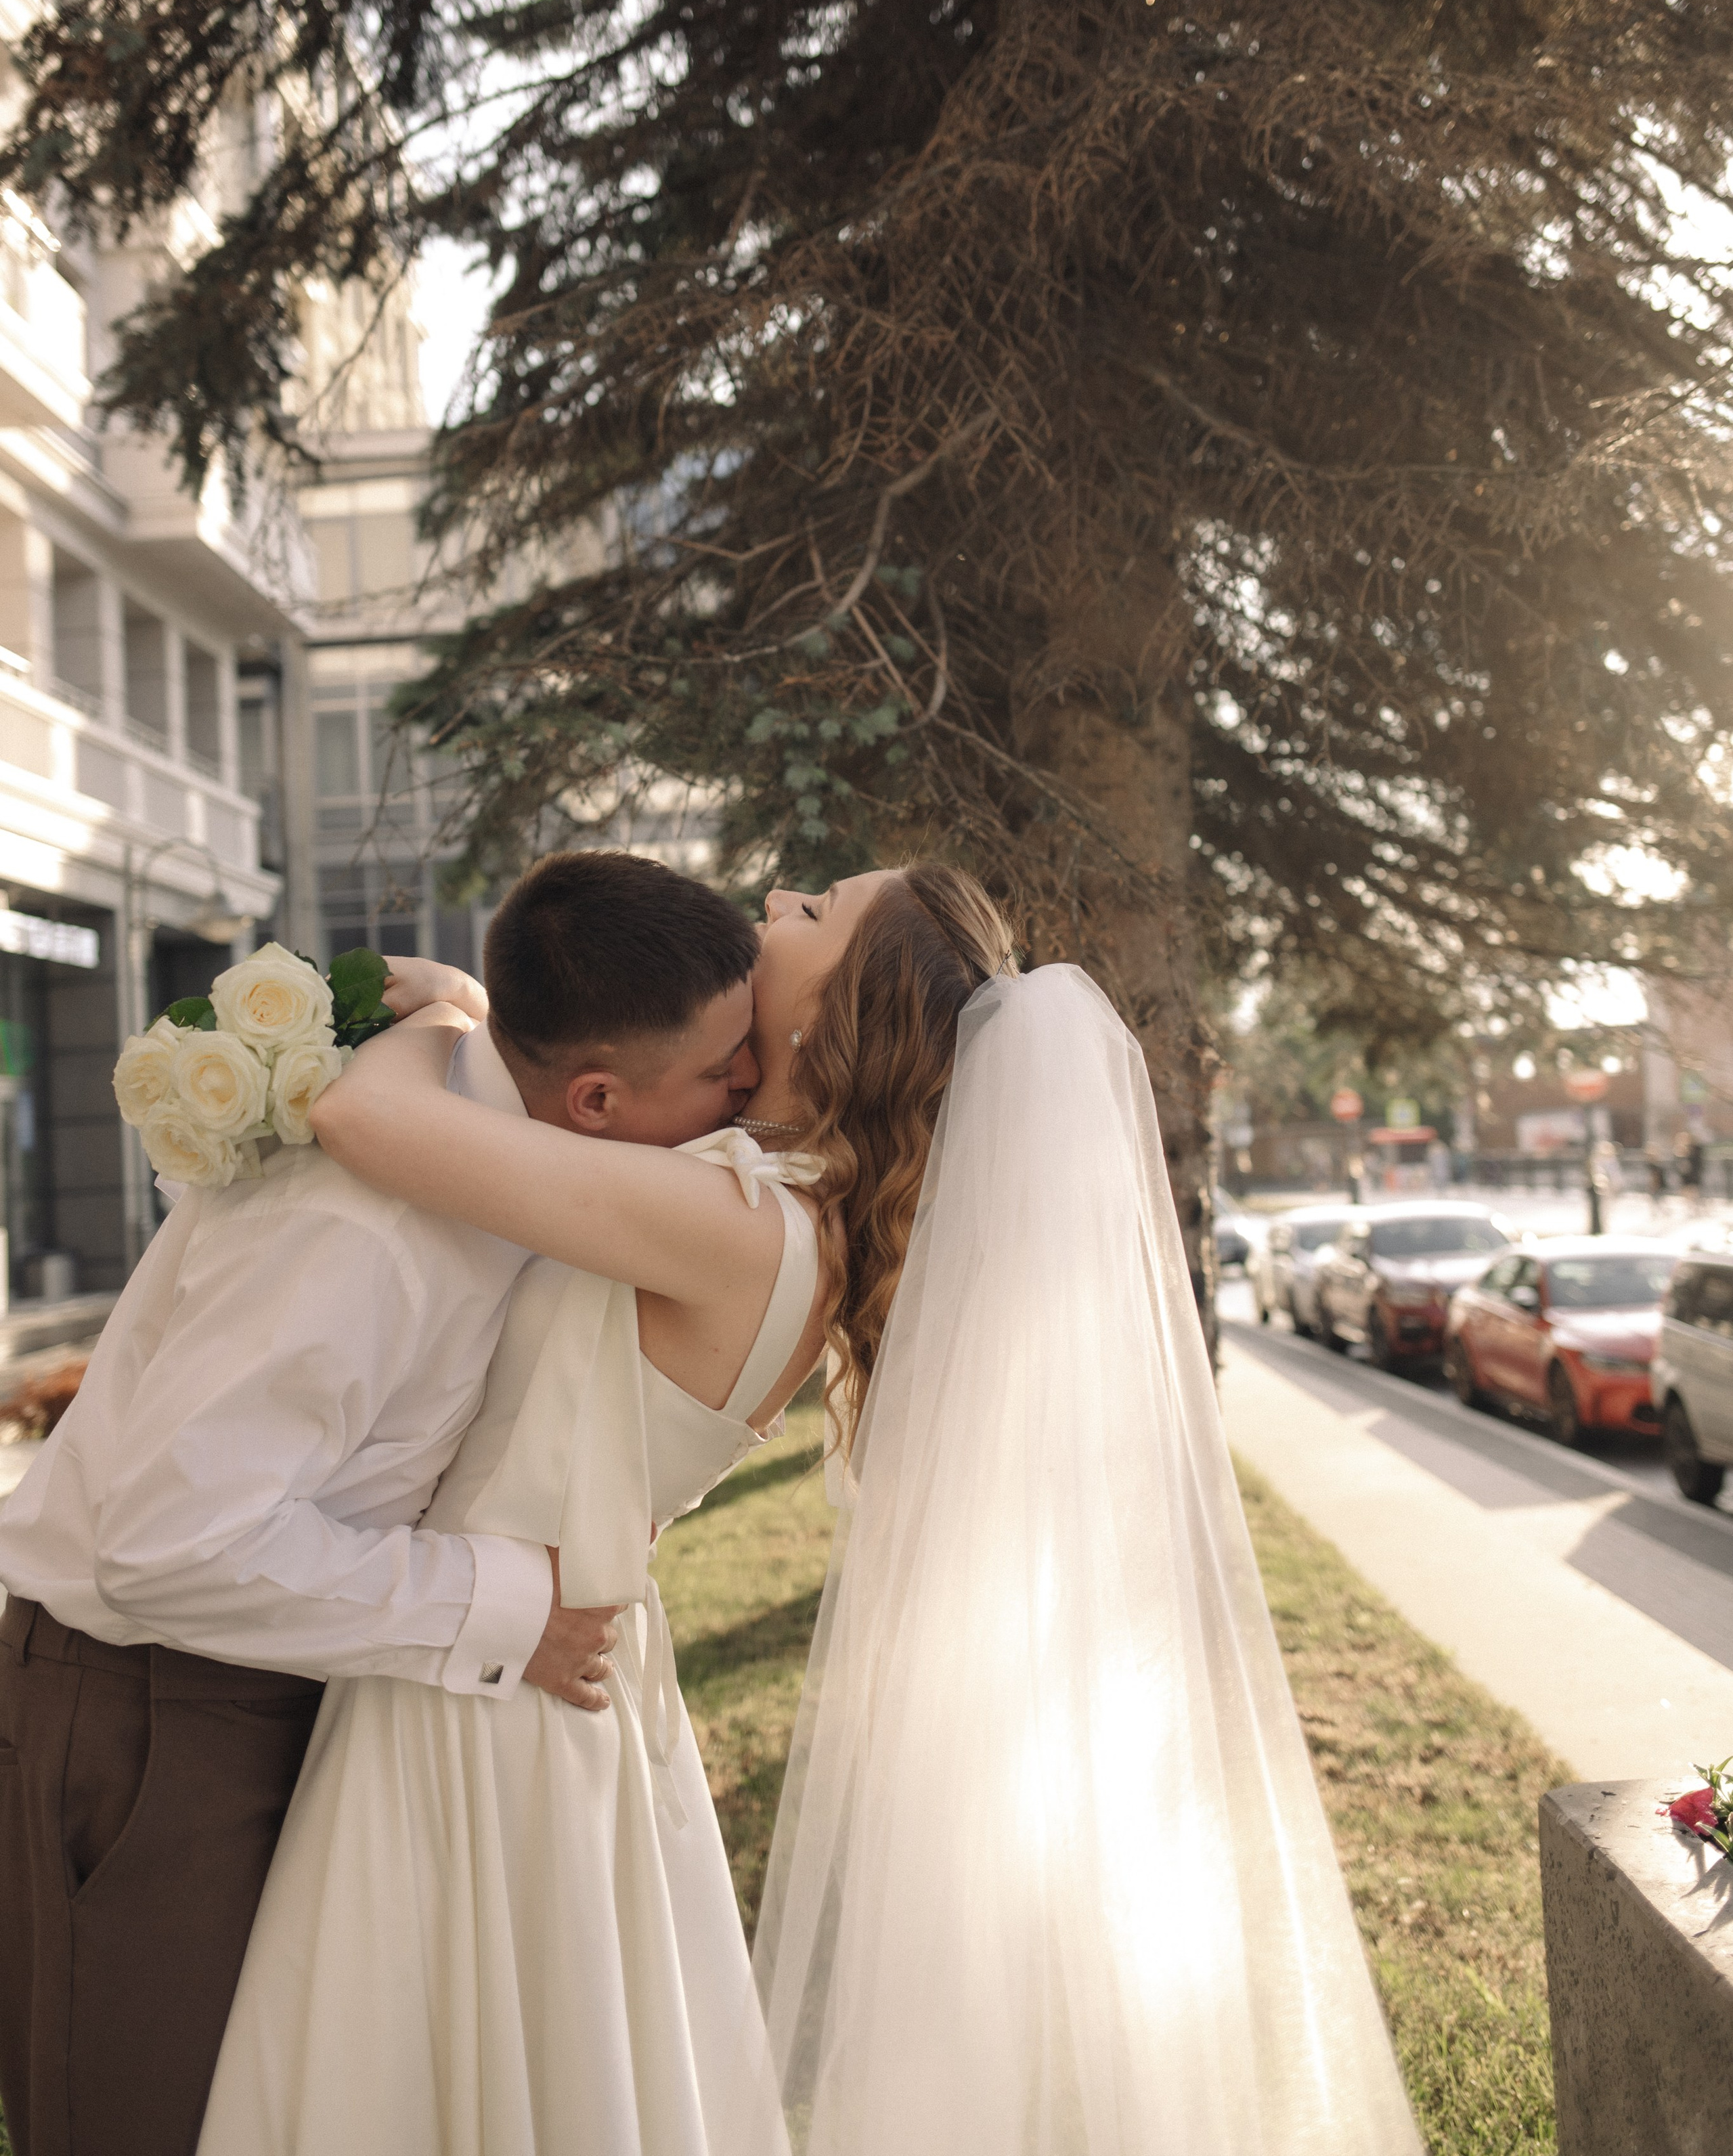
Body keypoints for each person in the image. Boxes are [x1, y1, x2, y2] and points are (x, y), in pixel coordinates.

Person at [203, 864, 1422, 2156]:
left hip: (493, 1711)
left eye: (817, 911)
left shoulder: (738, 1224)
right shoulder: (743, 1194)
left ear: (833, 1016)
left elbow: (365, 1118)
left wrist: (454, 1004)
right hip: (502, 1660)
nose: (780, 899)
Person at [0, 850, 760, 2156]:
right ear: (594, 1098)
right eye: (724, 1072)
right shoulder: (360, 1231)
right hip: (156, 1725)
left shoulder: (480, 1131)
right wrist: (503, 1607)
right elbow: (167, 1545)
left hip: (292, 1692)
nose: (747, 1090)